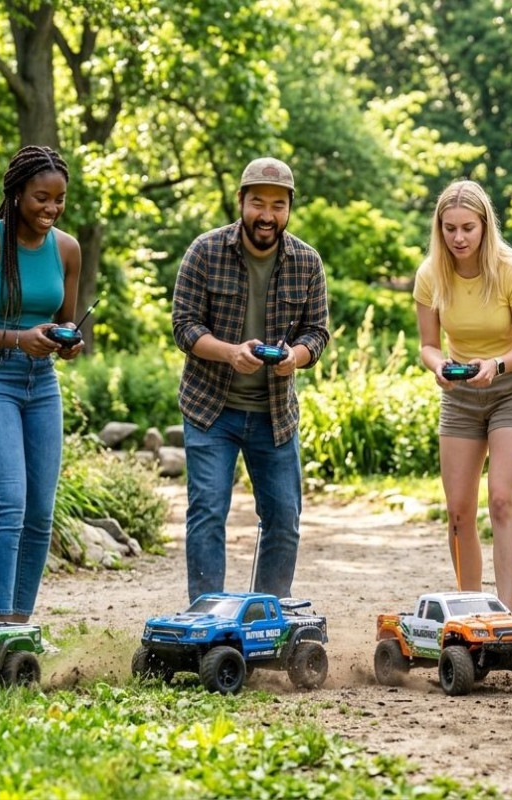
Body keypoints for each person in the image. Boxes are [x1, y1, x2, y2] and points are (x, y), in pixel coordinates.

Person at [171, 157, 331, 602]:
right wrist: (230, 352)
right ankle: (206, 616)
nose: (267, 215)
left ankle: (266, 614)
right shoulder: (204, 251)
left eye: (278, 205)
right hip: (211, 409)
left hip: (274, 414)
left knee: (284, 518)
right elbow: (184, 325)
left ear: (289, 208)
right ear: (240, 200)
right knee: (208, 512)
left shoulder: (307, 261)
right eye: (258, 202)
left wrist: (295, 357)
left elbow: (317, 332)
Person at [0, 145, 84, 623]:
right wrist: (19, 338)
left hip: (40, 384)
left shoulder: (67, 249)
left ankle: (18, 625)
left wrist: (68, 341)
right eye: (42, 198)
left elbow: (64, 321)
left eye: (59, 199)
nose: (51, 208)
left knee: (40, 513)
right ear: (18, 193)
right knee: (10, 502)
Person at [414, 180, 512, 612]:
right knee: (459, 511)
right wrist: (438, 366)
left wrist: (497, 365)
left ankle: (504, 613)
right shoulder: (431, 274)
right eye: (449, 229)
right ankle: (470, 609)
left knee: (501, 500)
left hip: (511, 390)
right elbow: (428, 345)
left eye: (468, 228)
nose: (459, 238)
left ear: (485, 225)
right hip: (460, 395)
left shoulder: (511, 270)